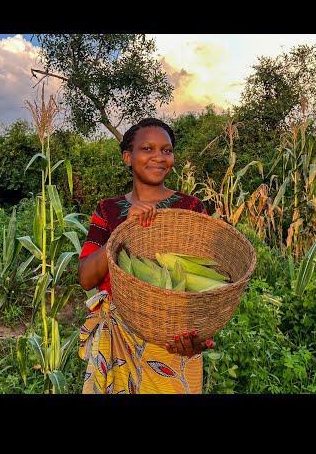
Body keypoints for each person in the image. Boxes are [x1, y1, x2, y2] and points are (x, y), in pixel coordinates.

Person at [77, 118, 215, 394]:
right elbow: (86, 277)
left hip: (172, 341)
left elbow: (205, 285)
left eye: (167, 150)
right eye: (148, 149)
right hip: (117, 339)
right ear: (128, 157)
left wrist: (198, 336)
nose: (159, 157)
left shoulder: (190, 208)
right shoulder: (108, 210)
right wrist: (124, 231)